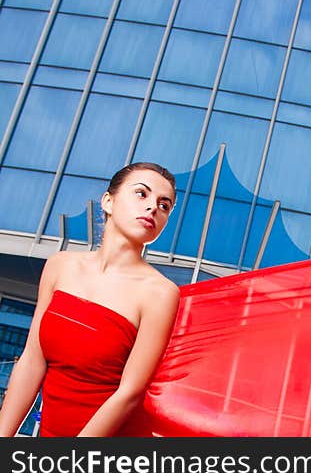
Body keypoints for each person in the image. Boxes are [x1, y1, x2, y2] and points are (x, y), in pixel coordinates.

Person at [0, 162, 181, 437]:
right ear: (108, 201)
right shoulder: (60, 265)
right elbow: (32, 360)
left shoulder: (160, 293)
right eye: (141, 194)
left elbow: (130, 393)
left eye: (164, 205)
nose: (153, 207)